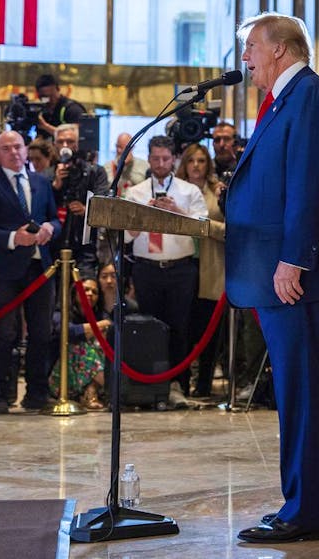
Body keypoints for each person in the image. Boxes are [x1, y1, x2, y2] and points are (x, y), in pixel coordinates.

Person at [225, 13, 319, 544]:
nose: (246, 59)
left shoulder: (308, 95)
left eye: (253, 48)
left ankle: (303, 512)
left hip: (287, 274)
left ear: (281, 49)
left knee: (300, 391)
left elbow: (307, 183)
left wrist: (294, 259)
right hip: (273, 267)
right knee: (304, 390)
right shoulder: (286, 99)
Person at [0, 130, 61, 414]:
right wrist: (13, 238)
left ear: (26, 150)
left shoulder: (42, 181)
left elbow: (54, 219)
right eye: (6, 148)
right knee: (6, 332)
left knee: (41, 332)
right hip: (7, 269)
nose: (14, 152)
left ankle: (37, 393)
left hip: (41, 267)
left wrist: (50, 228)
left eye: (18, 147)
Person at [124, 135, 208, 406]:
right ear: (148, 159)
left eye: (165, 158)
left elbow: (202, 227)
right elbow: (125, 236)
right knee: (149, 327)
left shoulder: (188, 191)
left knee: (180, 327)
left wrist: (177, 211)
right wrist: (142, 216)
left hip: (180, 268)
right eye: (155, 158)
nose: (160, 164)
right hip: (147, 268)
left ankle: (179, 385)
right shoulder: (135, 192)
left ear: (174, 160)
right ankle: (151, 385)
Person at [176, 142, 226, 398]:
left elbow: (230, 230)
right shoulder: (174, 190)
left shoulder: (218, 191)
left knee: (209, 330)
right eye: (191, 161)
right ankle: (180, 383)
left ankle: (205, 384)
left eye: (201, 161)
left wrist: (203, 226)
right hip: (180, 266)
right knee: (182, 328)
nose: (196, 166)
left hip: (210, 267)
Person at [46, 123, 109, 277]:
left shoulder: (95, 172)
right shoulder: (47, 175)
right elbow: (42, 209)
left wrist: (86, 210)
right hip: (54, 246)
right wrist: (55, 186)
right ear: (54, 145)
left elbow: (104, 205)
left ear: (78, 143)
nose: (65, 146)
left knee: (85, 293)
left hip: (86, 245)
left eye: (70, 141)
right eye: (61, 142)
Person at [49, 277, 111, 410]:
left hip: (87, 374)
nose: (90, 294)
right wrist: (100, 326)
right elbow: (69, 332)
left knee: (99, 344)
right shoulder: (61, 314)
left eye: (94, 292)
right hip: (63, 377)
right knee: (81, 345)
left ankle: (91, 390)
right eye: (85, 290)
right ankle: (107, 388)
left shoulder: (100, 314)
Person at [34, 74, 86, 140]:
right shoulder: (41, 110)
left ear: (58, 89)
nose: (48, 100)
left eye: (51, 96)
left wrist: (45, 126)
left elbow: (76, 135)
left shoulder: (72, 109)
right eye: (45, 97)